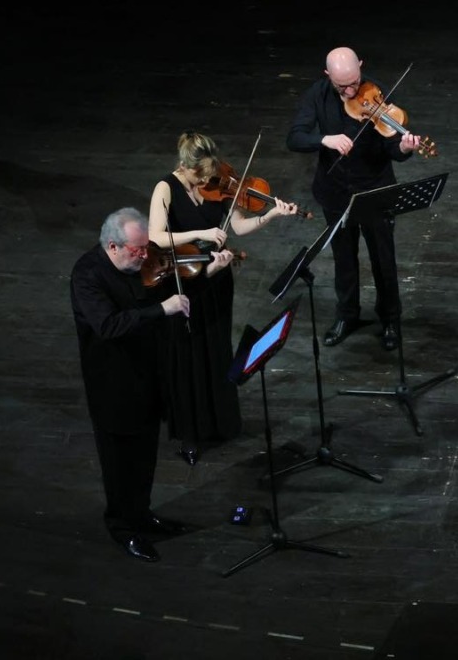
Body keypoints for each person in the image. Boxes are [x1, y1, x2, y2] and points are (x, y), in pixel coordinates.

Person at [148, 131, 297, 465]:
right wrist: (200, 233)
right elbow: (156, 237)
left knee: (215, 348)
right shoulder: (165, 188)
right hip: (186, 279)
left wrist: (271, 214)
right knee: (188, 355)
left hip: (217, 280)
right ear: (185, 166)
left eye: (209, 172)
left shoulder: (217, 183)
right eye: (200, 174)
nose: (206, 179)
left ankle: (218, 421)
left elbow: (239, 228)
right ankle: (188, 432)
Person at [71, 207, 191, 562]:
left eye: (145, 248)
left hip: (147, 375)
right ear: (113, 245)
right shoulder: (87, 275)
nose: (145, 256)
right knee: (119, 462)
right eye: (137, 250)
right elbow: (108, 326)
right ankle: (123, 526)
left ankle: (141, 513)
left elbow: (159, 285)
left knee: (145, 455)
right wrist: (162, 310)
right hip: (113, 386)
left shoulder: (138, 264)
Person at [287, 46, 423, 350]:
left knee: (383, 260)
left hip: (375, 190)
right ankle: (347, 315)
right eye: (342, 86)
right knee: (343, 260)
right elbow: (294, 137)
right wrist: (325, 139)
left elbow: (392, 148)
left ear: (360, 66)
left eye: (354, 81)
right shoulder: (317, 94)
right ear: (328, 76)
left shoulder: (375, 92)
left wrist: (403, 148)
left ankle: (390, 318)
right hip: (335, 191)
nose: (350, 90)